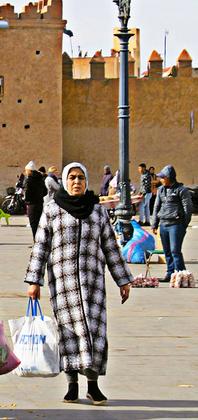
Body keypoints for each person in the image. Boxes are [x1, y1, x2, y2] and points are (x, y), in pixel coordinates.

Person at [25, 162, 133, 405]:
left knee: (95, 333)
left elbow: (110, 247)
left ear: (86, 181)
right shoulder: (53, 210)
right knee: (69, 333)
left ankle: (93, 386)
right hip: (63, 284)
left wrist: (123, 279)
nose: (76, 182)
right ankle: (72, 384)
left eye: (81, 178)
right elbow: (40, 246)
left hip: (93, 282)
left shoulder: (97, 211)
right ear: (64, 180)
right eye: (72, 177)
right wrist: (34, 280)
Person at [152, 165, 193, 282]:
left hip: (176, 224)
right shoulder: (161, 190)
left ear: (169, 178)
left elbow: (188, 207)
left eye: (163, 178)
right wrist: (155, 224)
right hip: (163, 224)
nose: (161, 180)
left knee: (175, 250)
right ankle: (170, 273)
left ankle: (181, 274)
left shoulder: (181, 190)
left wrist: (184, 224)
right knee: (167, 251)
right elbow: (156, 207)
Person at [23, 161, 45, 239]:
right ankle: (40, 240)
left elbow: (27, 192)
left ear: (29, 170)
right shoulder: (40, 178)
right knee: (39, 222)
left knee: (33, 223)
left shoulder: (29, 180)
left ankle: (35, 240)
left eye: (26, 170)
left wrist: (27, 200)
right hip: (39, 203)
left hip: (32, 204)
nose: (25, 172)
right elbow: (45, 191)